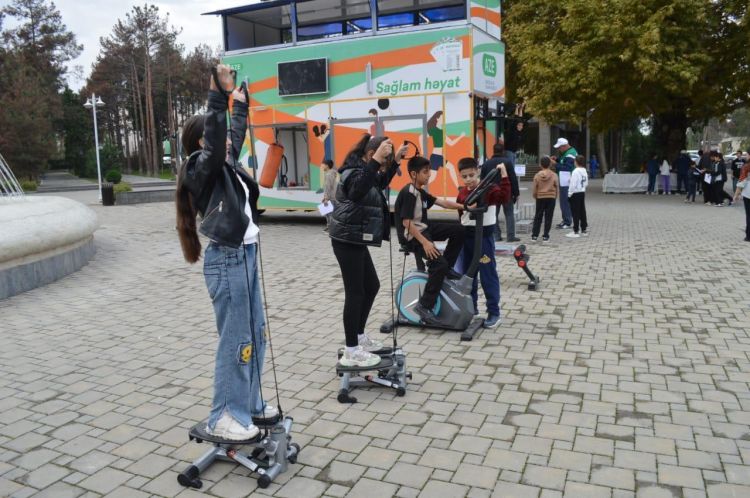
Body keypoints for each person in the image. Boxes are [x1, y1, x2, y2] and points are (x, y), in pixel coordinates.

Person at [175, 65, 276, 441]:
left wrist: (242, 106)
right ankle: (224, 415)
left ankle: (247, 404)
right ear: (203, 144)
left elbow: (231, 135)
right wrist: (219, 93)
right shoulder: (199, 170)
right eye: (217, 141)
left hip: (244, 256)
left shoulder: (224, 164)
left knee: (255, 334)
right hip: (228, 259)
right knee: (237, 340)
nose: (230, 143)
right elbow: (220, 141)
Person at [329, 135, 409, 367]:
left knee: (371, 286)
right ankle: (351, 350)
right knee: (355, 292)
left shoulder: (366, 170)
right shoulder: (354, 171)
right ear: (370, 152)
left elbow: (379, 182)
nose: (382, 162)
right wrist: (376, 160)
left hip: (355, 239)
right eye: (382, 155)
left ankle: (360, 336)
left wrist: (394, 162)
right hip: (346, 239)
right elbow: (356, 191)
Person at [395, 156, 464, 324]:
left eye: (429, 171)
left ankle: (446, 268)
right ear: (413, 174)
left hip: (425, 229)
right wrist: (425, 243)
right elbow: (407, 222)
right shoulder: (409, 193)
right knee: (438, 265)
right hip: (413, 236)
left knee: (458, 230)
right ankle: (424, 306)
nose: (429, 175)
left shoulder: (420, 192)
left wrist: (466, 207)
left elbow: (443, 203)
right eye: (425, 172)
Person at [455, 157, 511, 328]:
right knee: (468, 276)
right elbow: (461, 216)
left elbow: (505, 196)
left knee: (488, 275)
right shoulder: (463, 193)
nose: (469, 180)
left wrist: (504, 175)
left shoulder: (489, 189)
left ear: (478, 171)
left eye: (471, 175)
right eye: (464, 177)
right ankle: (471, 310)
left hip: (484, 238)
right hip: (468, 239)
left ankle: (494, 312)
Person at [480, 141, 519, 242]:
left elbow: (482, 181)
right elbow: (513, 178)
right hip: (507, 192)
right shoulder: (507, 162)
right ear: (503, 151)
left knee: (494, 215)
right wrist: (516, 193)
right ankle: (511, 236)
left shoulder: (486, 164)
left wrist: (483, 195)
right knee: (509, 214)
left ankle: (496, 235)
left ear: (493, 151)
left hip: (492, 193)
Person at [426, 110, 465, 187]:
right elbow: (421, 137)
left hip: (439, 157)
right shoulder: (434, 130)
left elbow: (451, 143)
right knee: (433, 177)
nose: (443, 119)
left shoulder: (442, 132)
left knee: (451, 168)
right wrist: (422, 149)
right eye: (442, 118)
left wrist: (461, 136)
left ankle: (458, 187)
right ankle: (418, 188)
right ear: (437, 119)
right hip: (435, 157)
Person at [550, 138, 577, 228]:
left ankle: (567, 222)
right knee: (564, 201)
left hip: (566, 181)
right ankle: (566, 220)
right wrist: (557, 159)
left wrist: (555, 164)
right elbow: (564, 162)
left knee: (564, 201)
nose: (558, 149)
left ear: (565, 146)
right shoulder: (568, 153)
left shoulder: (570, 154)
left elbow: (567, 168)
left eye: (560, 147)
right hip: (565, 180)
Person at [531, 156, 558, 242]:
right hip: (551, 197)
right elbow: (557, 187)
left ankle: (534, 236)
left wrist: (535, 195)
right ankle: (545, 236)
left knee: (538, 216)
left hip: (540, 197)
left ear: (540, 165)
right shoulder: (554, 175)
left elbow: (535, 188)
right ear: (550, 164)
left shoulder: (537, 175)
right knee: (548, 217)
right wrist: (556, 196)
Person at [566, 155, 589, 238]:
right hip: (582, 192)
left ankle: (575, 231)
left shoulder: (575, 171)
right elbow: (586, 183)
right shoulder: (584, 170)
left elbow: (573, 184)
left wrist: (569, 194)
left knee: (575, 212)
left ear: (576, 162)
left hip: (575, 193)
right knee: (582, 211)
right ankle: (584, 229)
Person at [734, 159, 750, 242]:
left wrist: (736, 194)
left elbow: (742, 181)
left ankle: (748, 236)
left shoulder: (746, 166)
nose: (745, 156)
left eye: (747, 154)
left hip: (748, 192)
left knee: (749, 215)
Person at [321, 159, 337, 232]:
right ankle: (330, 227)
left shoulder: (328, 174)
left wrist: (326, 198)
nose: (322, 166)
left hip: (330, 197)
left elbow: (328, 187)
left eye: (323, 164)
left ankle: (331, 228)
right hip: (332, 196)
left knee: (329, 213)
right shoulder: (332, 173)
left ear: (327, 165)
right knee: (329, 212)